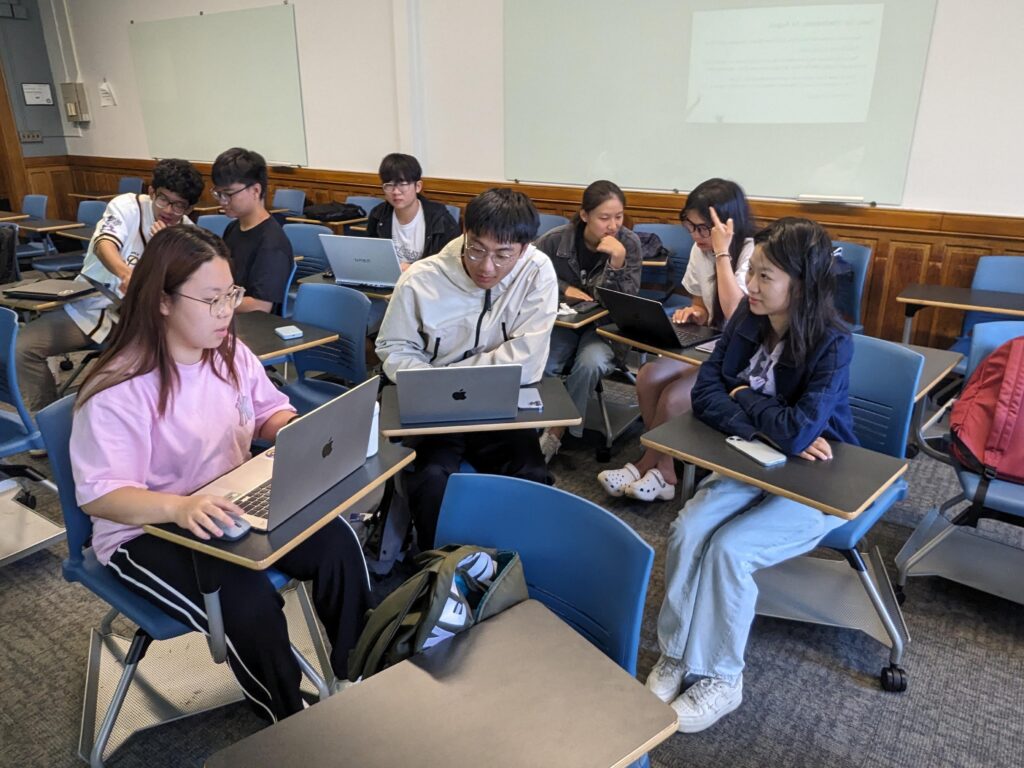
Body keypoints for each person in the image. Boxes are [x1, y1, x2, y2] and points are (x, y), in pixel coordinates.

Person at [69, 227, 370, 723]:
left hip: (229, 502)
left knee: (338, 542)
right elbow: (102, 496)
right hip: (145, 528)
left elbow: (270, 410)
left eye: (230, 294)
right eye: (210, 299)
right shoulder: (119, 386)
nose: (226, 310)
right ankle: (288, 726)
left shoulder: (228, 351)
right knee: (248, 606)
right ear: (163, 301)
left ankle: (356, 670)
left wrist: (297, 434)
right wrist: (180, 507)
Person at [646, 217, 857, 733]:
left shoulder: (832, 342)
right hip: (753, 456)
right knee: (690, 527)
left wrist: (746, 401)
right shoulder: (749, 314)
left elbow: (802, 432)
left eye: (765, 277)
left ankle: (722, 677)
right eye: (753, 273)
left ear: (800, 286)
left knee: (731, 549)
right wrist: (755, 407)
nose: (751, 286)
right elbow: (706, 393)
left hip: (821, 479)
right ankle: (677, 653)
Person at [375, 188, 557, 550]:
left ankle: (515, 559)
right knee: (432, 478)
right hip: (437, 407)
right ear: (464, 232)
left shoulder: (537, 273)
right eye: (476, 249)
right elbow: (394, 346)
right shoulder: (422, 279)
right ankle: (434, 565)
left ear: (524, 248)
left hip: (499, 404)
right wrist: (435, 384)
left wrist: (455, 376)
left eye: (503, 255)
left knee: (531, 473)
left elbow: (529, 357)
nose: (487, 267)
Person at [597, 178, 754, 500]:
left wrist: (723, 252)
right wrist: (694, 314)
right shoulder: (701, 248)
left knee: (674, 396)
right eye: (691, 228)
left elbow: (735, 312)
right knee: (647, 375)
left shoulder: (753, 252)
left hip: (746, 356)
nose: (696, 237)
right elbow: (701, 305)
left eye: (703, 229)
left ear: (727, 224)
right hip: (712, 345)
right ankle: (663, 468)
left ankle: (651, 466)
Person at [16, 158, 204, 411]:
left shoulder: (187, 235)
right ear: (151, 192)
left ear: (190, 208)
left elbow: (179, 290)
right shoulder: (127, 206)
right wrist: (126, 273)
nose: (169, 210)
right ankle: (45, 422)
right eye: (163, 199)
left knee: (128, 376)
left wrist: (165, 246)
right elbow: (104, 244)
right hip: (89, 305)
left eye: (179, 205)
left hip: (139, 323)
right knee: (23, 348)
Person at [535, 180, 642, 463]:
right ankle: (532, 426)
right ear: (585, 216)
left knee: (590, 363)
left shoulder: (629, 243)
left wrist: (617, 262)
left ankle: (555, 434)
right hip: (567, 324)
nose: (613, 225)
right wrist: (563, 288)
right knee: (544, 362)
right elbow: (530, 271)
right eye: (604, 218)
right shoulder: (555, 240)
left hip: (608, 328)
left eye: (618, 217)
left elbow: (626, 304)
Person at [212, 147, 293, 313]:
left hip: (256, 327)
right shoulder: (233, 227)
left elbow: (260, 306)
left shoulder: (272, 242)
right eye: (218, 193)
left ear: (256, 190)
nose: (222, 201)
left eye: (228, 194)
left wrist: (211, 302)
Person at [365, 152, 461, 269]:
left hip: (426, 281)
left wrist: (413, 269)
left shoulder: (440, 218)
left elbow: (452, 262)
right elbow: (372, 255)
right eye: (389, 185)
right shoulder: (378, 215)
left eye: (402, 184)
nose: (395, 191)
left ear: (418, 186)